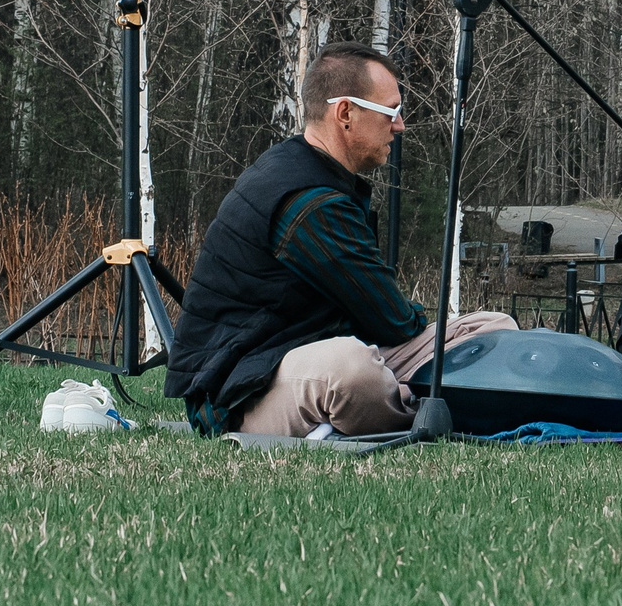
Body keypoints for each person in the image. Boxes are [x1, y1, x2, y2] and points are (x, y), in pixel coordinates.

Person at [165, 43, 513, 436]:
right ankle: (427, 412)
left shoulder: (313, 172)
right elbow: (393, 319)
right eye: (391, 111)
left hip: (311, 349)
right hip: (243, 389)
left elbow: (384, 320)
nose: (400, 126)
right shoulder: (308, 200)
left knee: (495, 330)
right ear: (345, 113)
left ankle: (393, 405)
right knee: (353, 371)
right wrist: (408, 326)